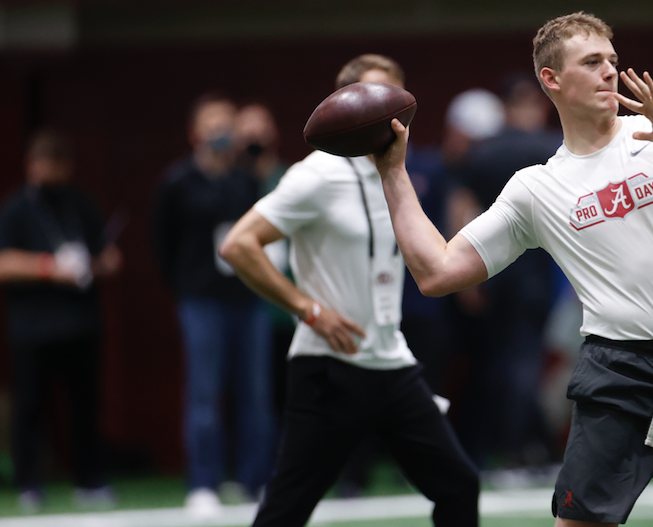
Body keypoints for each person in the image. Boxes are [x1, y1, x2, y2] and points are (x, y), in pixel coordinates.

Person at [374, 12, 653, 526]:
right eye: (592, 62)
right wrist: (393, 173)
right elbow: (437, 272)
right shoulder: (536, 188)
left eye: (612, 59)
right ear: (551, 79)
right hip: (620, 374)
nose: (610, 71)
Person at [219, 54, 480, 527]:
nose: (382, 110)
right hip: (329, 369)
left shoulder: (398, 174)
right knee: (287, 509)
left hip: (393, 364)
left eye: (392, 99)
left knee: (460, 484)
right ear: (343, 105)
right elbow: (238, 245)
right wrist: (309, 309)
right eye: (370, 96)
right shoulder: (317, 175)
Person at [152, 93, 276, 514]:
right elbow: (163, 245)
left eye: (227, 124)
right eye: (212, 124)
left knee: (255, 393)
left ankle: (253, 479)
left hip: (247, 298)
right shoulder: (177, 181)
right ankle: (203, 483)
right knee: (204, 393)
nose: (221, 132)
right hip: (201, 300)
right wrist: (185, 286)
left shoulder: (246, 179)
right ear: (195, 133)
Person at [0, 130, 121, 512]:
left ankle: (89, 479)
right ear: (30, 166)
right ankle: (29, 482)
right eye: (43, 164)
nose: (50, 173)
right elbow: (3, 263)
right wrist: (50, 268)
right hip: (33, 325)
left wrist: (96, 266)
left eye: (57, 164)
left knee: (84, 403)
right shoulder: (16, 209)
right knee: (31, 404)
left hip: (81, 323)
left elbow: (108, 256)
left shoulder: (80, 205)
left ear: (67, 167)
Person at [450, 73, 565, 472]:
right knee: (522, 361)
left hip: (490, 270)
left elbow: (460, 210)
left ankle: (522, 446)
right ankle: (520, 451)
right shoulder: (552, 147)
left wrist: (463, 271)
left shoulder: (482, 153)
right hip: (537, 273)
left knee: (504, 359)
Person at [234, 102, 296, 420]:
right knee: (247, 396)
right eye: (245, 130)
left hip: (288, 307)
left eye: (260, 128)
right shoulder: (230, 183)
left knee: (289, 394)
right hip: (241, 304)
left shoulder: (291, 179)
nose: (253, 136)